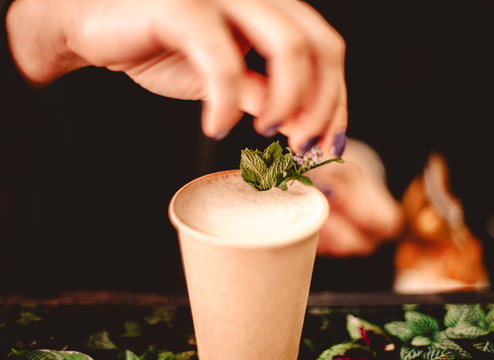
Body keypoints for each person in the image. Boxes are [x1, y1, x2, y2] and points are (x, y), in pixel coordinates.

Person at [1, 0, 403, 292]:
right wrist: (51, 29)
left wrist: (349, 161)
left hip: (291, 288)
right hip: (49, 278)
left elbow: (417, 84)